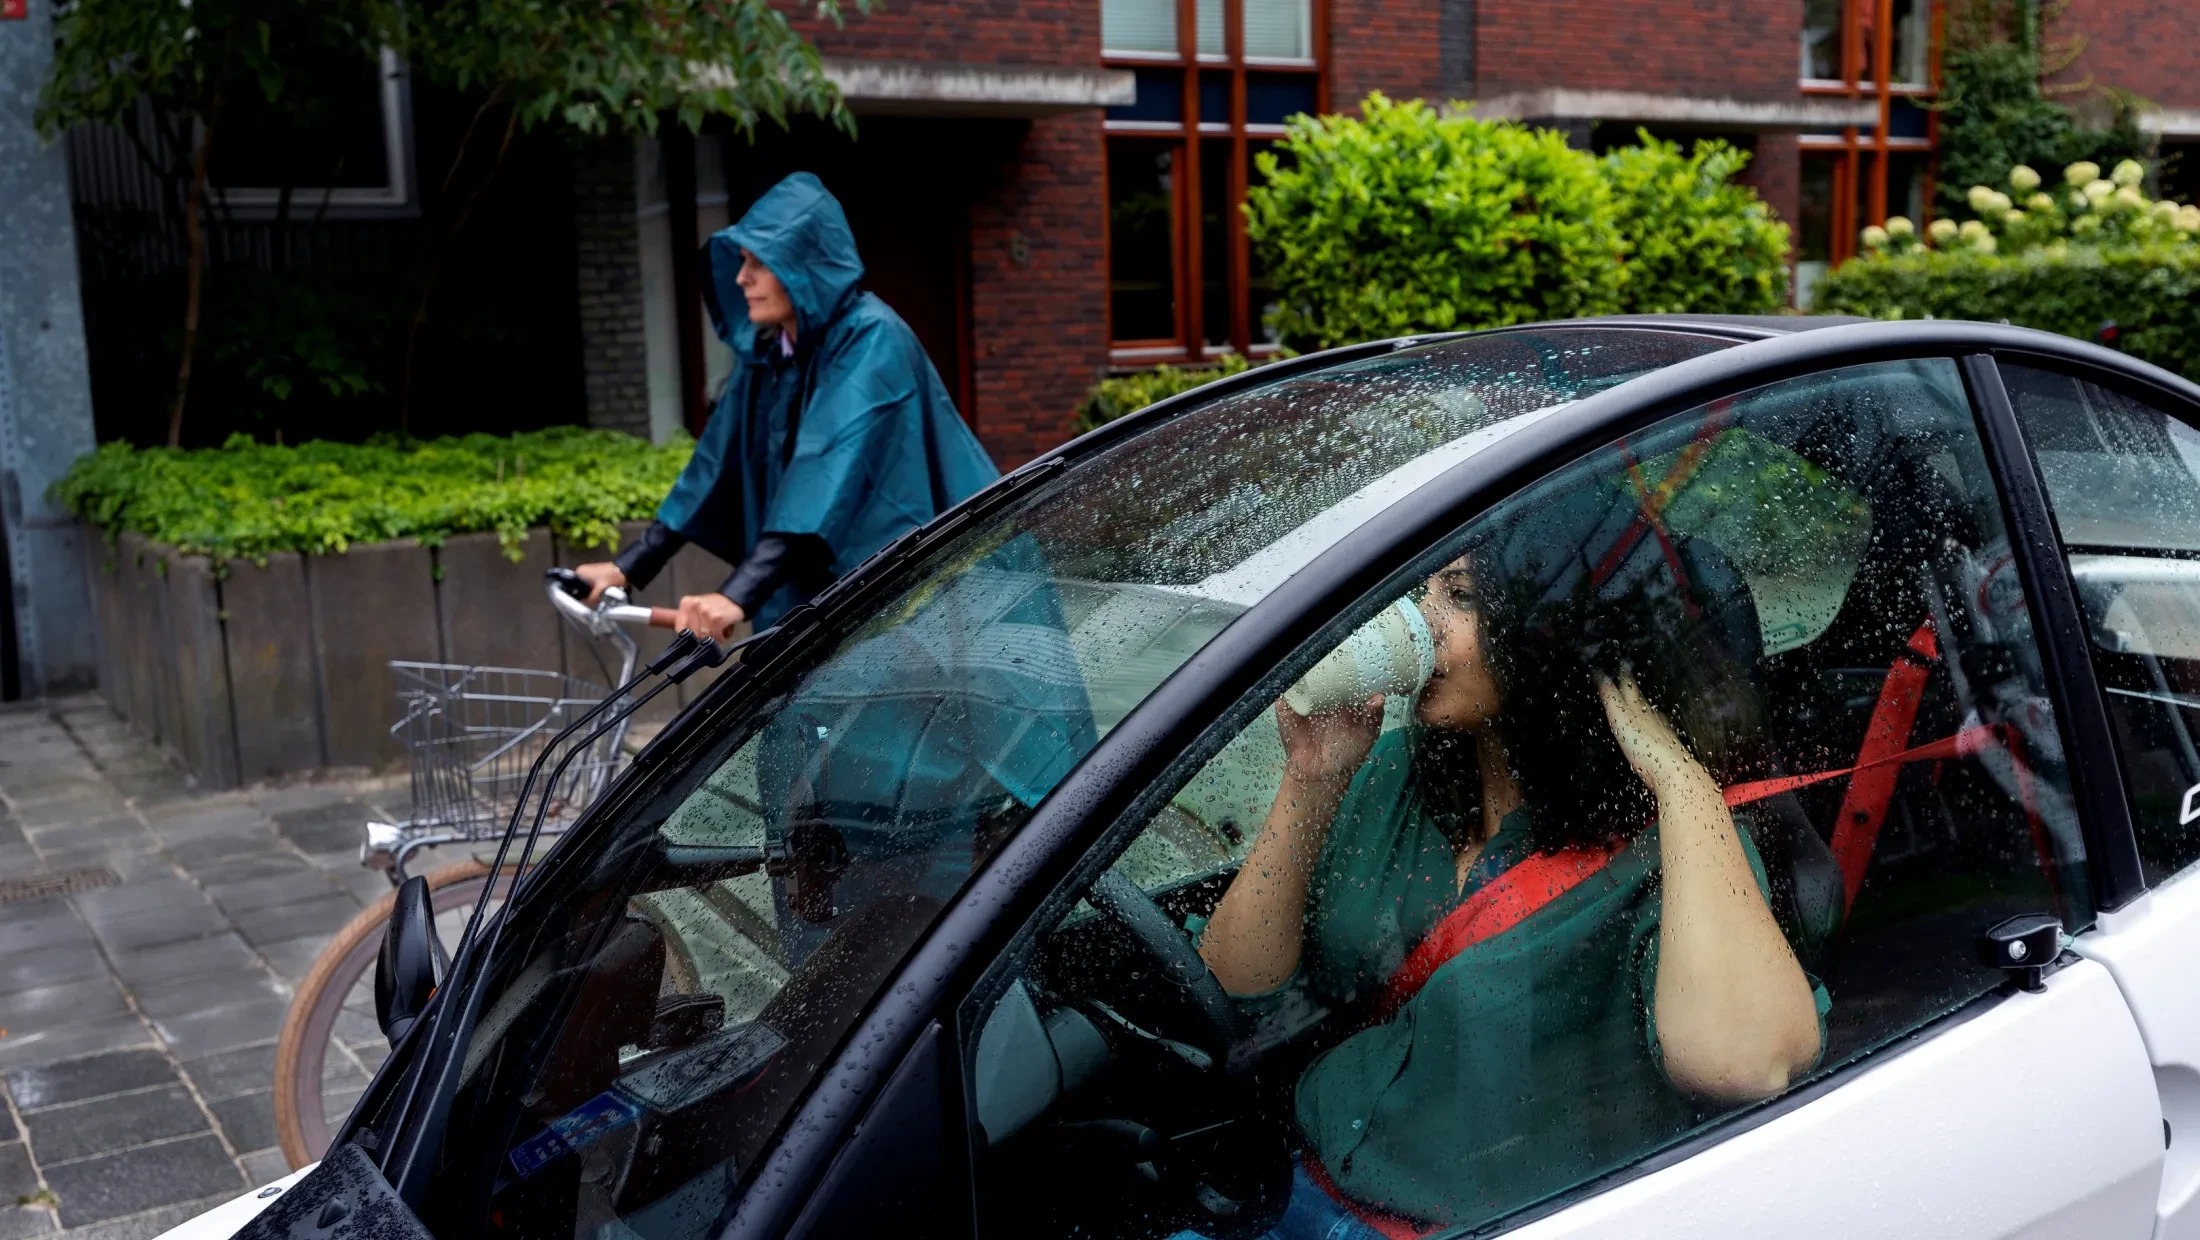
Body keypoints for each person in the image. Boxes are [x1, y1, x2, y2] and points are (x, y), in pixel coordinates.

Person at [1192, 530, 1828, 1236]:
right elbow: (1228, 990)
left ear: (1551, 633)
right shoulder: (1396, 773)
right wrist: (1314, 777)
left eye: (1460, 598)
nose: (1423, 625)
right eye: (1421, 594)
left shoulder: (1674, 853)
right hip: (1296, 1184)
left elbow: (1750, 1063)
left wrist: (1681, 782)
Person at [576, 172, 998, 639]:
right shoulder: (771, 353)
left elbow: (825, 469)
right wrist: (629, 566)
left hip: (896, 597)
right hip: (806, 595)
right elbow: (712, 463)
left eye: (760, 262)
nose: (742, 278)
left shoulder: (871, 338)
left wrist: (736, 594)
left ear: (804, 267)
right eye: (741, 262)